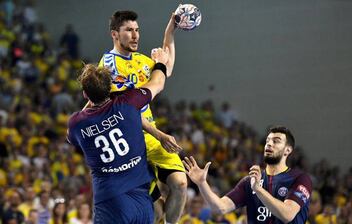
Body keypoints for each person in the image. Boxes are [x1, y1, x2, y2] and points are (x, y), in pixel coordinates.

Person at [98, 10, 187, 223]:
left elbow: (167, 67)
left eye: (137, 30)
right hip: (128, 144)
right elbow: (125, 113)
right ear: (115, 34)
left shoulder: (141, 60)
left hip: (152, 139)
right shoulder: (109, 65)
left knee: (181, 184)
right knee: (155, 212)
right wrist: (160, 134)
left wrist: (170, 31)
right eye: (129, 30)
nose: (136, 35)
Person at [67, 47, 169, 223]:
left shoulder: (77, 123)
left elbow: (70, 137)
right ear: (109, 88)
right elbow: (158, 83)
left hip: (110, 202)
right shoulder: (129, 103)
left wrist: (91, 98)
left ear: (85, 94)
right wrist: (159, 62)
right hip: (142, 201)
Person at [183, 126, 313, 224]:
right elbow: (220, 208)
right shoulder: (249, 182)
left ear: (288, 150)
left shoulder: (300, 178)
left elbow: (287, 214)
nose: (269, 144)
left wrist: (258, 190)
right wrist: (202, 183)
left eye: (276, 141)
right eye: (268, 140)